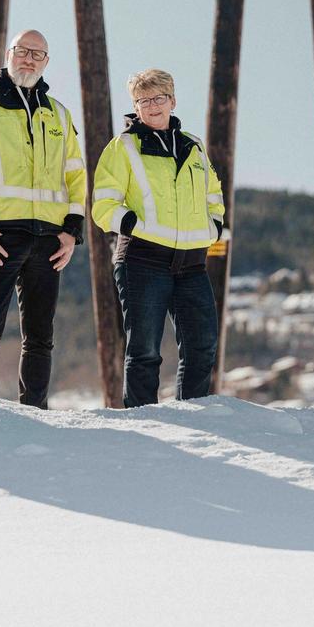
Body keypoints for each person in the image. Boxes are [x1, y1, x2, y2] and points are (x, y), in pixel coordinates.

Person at [0, 29, 85, 408]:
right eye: (23, 51)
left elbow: (76, 176)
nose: (29, 59)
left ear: (46, 63)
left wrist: (72, 231)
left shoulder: (58, 114)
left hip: (49, 240)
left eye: (38, 55)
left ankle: (35, 411)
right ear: (9, 54)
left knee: (41, 335)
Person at [92, 69, 224, 408]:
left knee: (202, 345)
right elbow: (103, 205)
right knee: (145, 350)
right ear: (136, 107)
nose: (152, 106)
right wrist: (133, 223)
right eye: (143, 100)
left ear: (172, 101)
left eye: (158, 98)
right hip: (143, 261)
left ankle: (192, 416)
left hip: (192, 264)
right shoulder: (123, 146)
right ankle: (143, 421)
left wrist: (214, 227)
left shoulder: (193, 145)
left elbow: (214, 193)